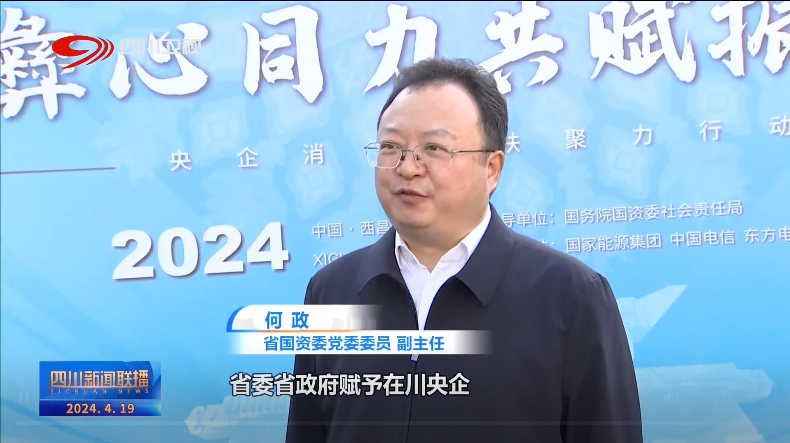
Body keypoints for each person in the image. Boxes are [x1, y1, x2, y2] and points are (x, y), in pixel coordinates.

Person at [285, 57, 642, 443]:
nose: (408, 167)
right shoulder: (331, 291)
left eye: (434, 148)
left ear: (492, 168)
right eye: (390, 146)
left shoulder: (570, 296)